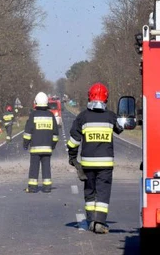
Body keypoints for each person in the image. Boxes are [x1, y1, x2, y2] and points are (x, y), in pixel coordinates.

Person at [67, 82, 124, 234]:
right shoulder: (110, 117)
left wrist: (72, 157)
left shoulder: (83, 117)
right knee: (103, 192)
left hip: (87, 164)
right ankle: (100, 222)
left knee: (90, 192)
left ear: (89, 97)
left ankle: (91, 220)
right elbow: (120, 129)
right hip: (105, 165)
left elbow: (73, 140)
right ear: (106, 98)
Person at [23, 91, 59, 193]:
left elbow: (27, 133)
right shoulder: (51, 116)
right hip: (47, 148)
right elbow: (55, 134)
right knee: (46, 168)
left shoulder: (33, 115)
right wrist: (52, 146)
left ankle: (32, 188)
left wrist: (25, 145)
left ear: (36, 103)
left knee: (34, 168)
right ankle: (47, 187)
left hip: (35, 149)